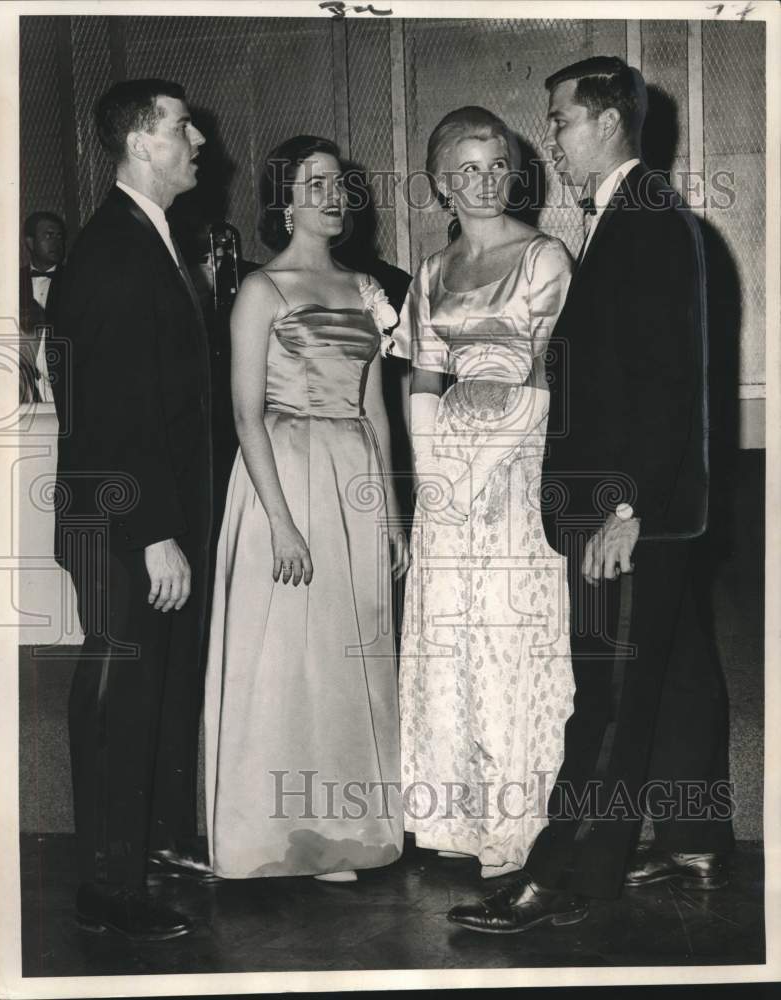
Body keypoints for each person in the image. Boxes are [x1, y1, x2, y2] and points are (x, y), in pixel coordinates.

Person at [448, 57, 732, 935]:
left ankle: (565, 874)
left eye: (561, 121)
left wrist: (622, 509)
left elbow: (663, 381)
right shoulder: (639, 218)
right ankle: (696, 837)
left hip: (629, 511)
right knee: (678, 670)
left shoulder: (642, 221)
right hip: (654, 508)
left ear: (607, 121)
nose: (553, 142)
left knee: (605, 695)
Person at [203, 135, 409, 882]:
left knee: (344, 655)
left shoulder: (366, 288)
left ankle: (339, 833)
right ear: (283, 199)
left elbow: (377, 412)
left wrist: (391, 517)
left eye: (339, 184)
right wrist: (282, 521)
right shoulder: (261, 289)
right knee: (286, 658)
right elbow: (246, 415)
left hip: (352, 474)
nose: (332, 197)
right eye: (314, 184)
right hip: (280, 479)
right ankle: (275, 836)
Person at [391, 107, 575, 879]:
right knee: (449, 630)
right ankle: (454, 819)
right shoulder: (432, 271)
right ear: (439, 183)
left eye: (495, 164)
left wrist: (478, 471)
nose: (483, 180)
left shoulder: (544, 256)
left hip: (519, 457)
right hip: (449, 463)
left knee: (505, 630)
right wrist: (434, 476)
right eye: (465, 168)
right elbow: (423, 374)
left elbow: (540, 370)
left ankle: (517, 826)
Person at [52, 78, 215, 941]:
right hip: (122, 522)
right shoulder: (118, 250)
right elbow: (116, 410)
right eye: (182, 129)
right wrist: (153, 531)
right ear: (142, 144)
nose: (198, 143)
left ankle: (136, 857)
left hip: (126, 518)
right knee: (117, 697)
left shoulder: (139, 237)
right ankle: (107, 890)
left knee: (138, 690)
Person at [19, 210, 65, 403]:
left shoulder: (74, 280)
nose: (56, 242)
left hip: (61, 386)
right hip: (21, 387)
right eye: (48, 235)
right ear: (29, 243)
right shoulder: (11, 281)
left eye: (59, 236)